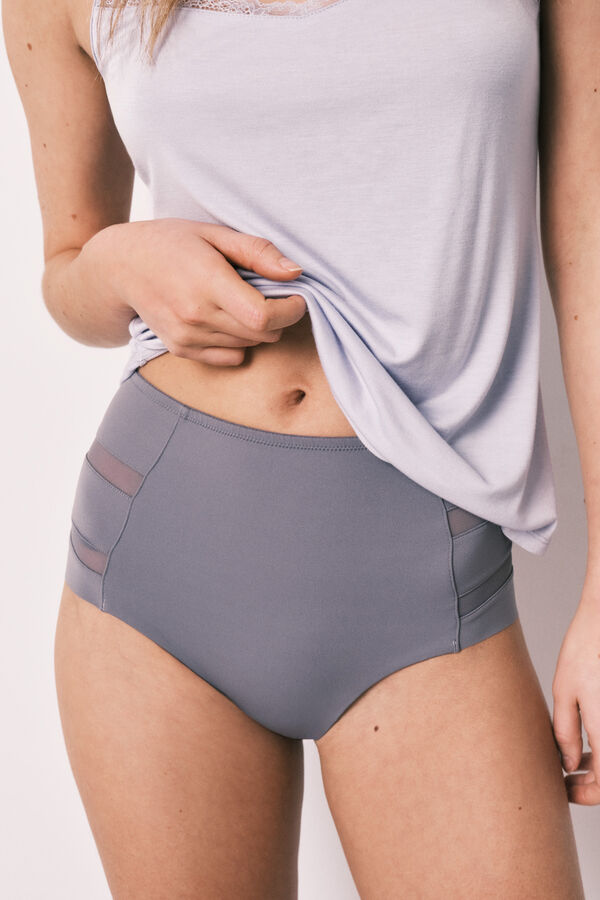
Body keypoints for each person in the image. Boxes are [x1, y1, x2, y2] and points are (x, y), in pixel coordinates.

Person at [3, 0, 597, 895]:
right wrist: (120, 263)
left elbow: (588, 240)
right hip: (158, 564)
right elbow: (68, 268)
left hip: (426, 575)